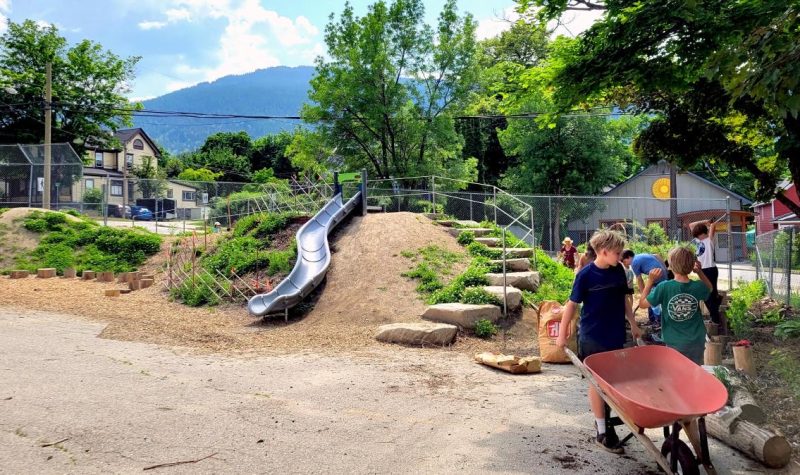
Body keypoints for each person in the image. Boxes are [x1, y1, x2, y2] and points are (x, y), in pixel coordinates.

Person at [556, 229, 641, 454]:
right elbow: (572, 305)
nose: (620, 256)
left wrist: (632, 323)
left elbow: (624, 299)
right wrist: (562, 333)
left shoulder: (619, 271)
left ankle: (606, 422)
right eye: (617, 252)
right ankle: (602, 431)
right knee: (597, 384)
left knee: (612, 383)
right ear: (603, 252)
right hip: (592, 336)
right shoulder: (585, 275)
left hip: (615, 334)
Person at [639, 246, 712, 365]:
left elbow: (642, 304)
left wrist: (650, 281)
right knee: (695, 371)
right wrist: (700, 272)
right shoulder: (698, 286)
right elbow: (709, 288)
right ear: (691, 265)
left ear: (671, 266)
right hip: (697, 340)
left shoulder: (663, 287)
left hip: (674, 341)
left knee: (677, 373)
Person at [689, 219, 721, 325]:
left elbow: (713, 226)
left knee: (710, 294)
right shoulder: (698, 241)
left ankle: (715, 318)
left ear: (703, 232)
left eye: (699, 234)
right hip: (702, 270)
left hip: (710, 269)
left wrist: (709, 224)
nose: (698, 237)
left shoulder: (710, 239)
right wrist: (705, 221)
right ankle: (715, 316)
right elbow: (691, 224)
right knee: (707, 294)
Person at [631, 252, 668, 326]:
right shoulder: (643, 255)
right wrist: (665, 270)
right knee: (651, 300)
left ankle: (658, 322)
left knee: (652, 302)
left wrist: (643, 295)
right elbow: (657, 255)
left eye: (623, 261)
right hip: (662, 277)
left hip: (658, 279)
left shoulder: (634, 262)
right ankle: (652, 320)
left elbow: (639, 280)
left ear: (628, 257)